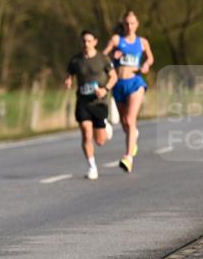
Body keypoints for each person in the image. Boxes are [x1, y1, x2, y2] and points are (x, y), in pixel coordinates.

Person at [102, 10, 154, 173]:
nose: (129, 26)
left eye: (132, 23)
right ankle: (133, 138)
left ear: (137, 24)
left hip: (135, 83)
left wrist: (146, 65)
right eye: (126, 23)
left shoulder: (142, 42)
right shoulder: (117, 40)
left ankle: (128, 157)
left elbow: (150, 58)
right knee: (125, 122)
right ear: (123, 24)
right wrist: (112, 54)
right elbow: (102, 57)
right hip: (118, 84)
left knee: (130, 119)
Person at [64, 30, 117, 180]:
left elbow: (114, 77)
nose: (86, 44)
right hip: (83, 102)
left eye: (88, 41)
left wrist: (105, 89)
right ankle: (92, 166)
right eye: (83, 41)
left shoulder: (103, 59)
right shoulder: (75, 60)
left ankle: (106, 126)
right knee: (86, 135)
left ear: (95, 42)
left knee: (100, 141)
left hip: (99, 102)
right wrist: (68, 81)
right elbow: (70, 74)